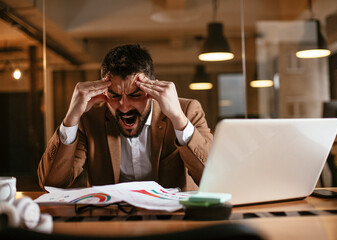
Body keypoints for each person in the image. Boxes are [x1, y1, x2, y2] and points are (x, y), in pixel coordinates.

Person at [38, 44, 213, 191]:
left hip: (173, 221)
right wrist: (71, 117)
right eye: (114, 96)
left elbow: (213, 179)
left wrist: (178, 119)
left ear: (152, 90)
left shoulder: (187, 111)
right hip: (110, 223)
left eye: (135, 95)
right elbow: (51, 184)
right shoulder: (89, 119)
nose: (124, 106)